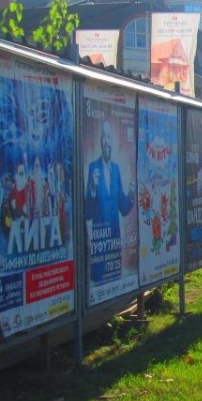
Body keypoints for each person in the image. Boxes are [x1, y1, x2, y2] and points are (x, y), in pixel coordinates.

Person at [85, 119, 136, 282]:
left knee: (115, 281)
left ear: (112, 142)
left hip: (114, 244)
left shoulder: (116, 169)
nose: (106, 141)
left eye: (109, 137)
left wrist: (131, 192)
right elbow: (88, 213)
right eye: (104, 136)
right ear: (101, 141)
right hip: (100, 248)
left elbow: (123, 208)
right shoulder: (93, 168)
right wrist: (92, 188)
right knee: (99, 283)